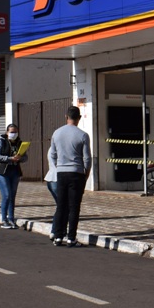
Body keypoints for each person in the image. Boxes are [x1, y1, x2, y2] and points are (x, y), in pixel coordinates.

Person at [48, 105, 92, 247]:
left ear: (66, 117)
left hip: (61, 173)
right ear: (79, 118)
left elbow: (52, 155)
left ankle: (58, 236)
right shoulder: (83, 135)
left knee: (61, 205)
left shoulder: (57, 133)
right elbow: (87, 158)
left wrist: (58, 166)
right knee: (74, 207)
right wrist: (86, 174)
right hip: (76, 173)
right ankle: (71, 237)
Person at [0, 123, 28, 229]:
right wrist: (9, 158)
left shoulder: (19, 142)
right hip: (2, 172)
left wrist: (20, 158)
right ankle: (4, 219)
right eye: (11, 132)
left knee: (12, 196)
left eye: (15, 132)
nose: (13, 134)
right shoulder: (2, 141)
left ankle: (11, 219)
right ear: (7, 132)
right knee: (6, 195)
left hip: (15, 171)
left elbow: (25, 157)